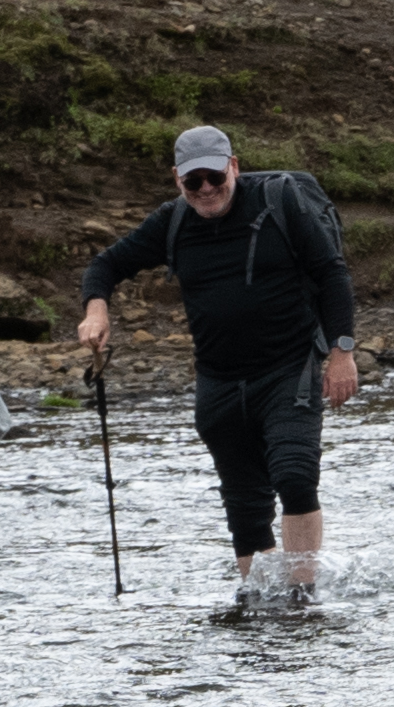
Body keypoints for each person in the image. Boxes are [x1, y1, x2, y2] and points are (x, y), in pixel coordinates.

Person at [71, 123, 358, 599]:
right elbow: (104, 266)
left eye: (214, 177)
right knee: (244, 503)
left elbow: (332, 274)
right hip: (220, 380)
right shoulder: (172, 221)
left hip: (290, 368)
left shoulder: (280, 203)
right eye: (192, 182)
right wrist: (97, 310)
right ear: (177, 180)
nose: (206, 190)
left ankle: (302, 597)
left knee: (293, 474)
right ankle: (260, 600)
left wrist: (341, 353)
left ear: (234, 168)